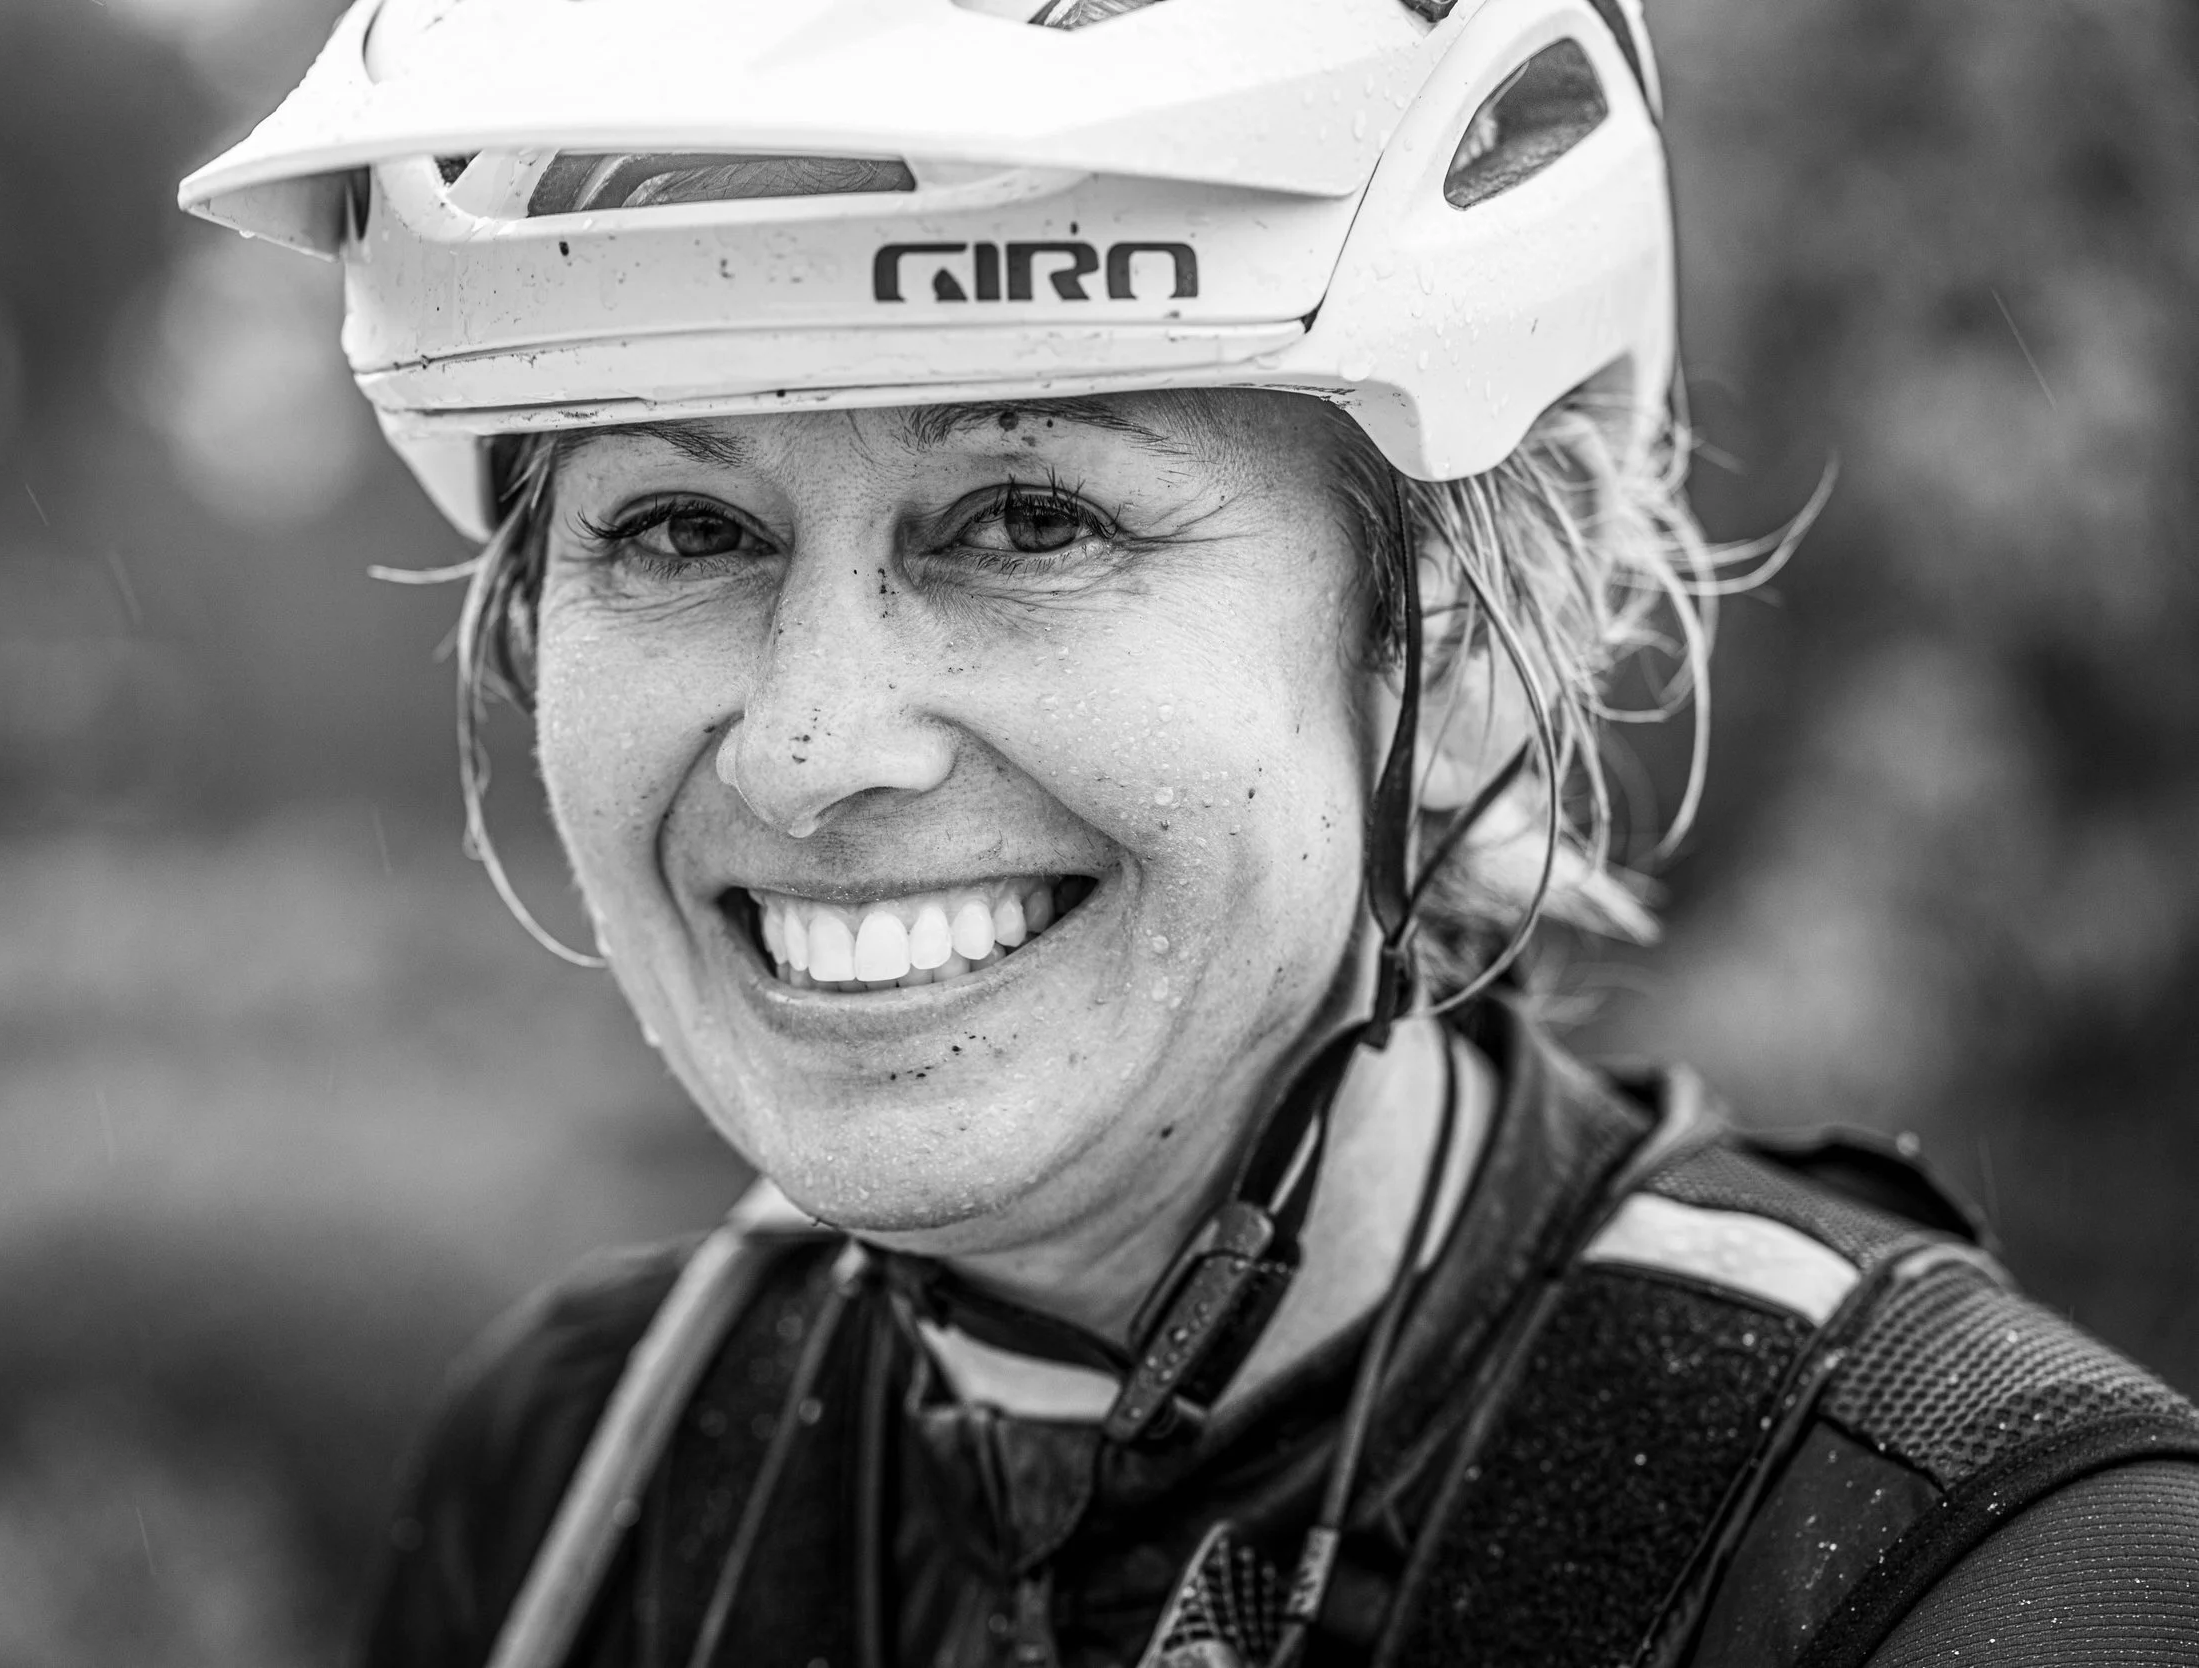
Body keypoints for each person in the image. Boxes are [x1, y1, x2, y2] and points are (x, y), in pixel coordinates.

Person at [181, 1, 2199, 1663]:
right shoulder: (574, 1484)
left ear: (1486, 614)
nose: (807, 751)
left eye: (1026, 520)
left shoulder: (1979, 1578)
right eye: (679, 530)